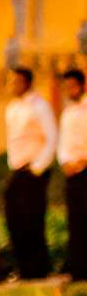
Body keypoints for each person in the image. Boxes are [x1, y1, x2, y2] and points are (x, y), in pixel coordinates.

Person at [4, 66, 57, 279]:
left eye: (16, 81)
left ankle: (38, 269)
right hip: (17, 169)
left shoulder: (39, 106)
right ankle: (24, 267)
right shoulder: (12, 108)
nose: (12, 86)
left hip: (33, 170)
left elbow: (51, 137)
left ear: (26, 82)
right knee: (15, 219)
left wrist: (38, 167)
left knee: (33, 219)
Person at [60, 68, 87, 280]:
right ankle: (77, 268)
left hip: (85, 170)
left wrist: (83, 160)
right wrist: (65, 161)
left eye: (73, 86)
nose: (70, 91)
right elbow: (63, 143)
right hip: (71, 173)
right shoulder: (67, 112)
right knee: (75, 221)